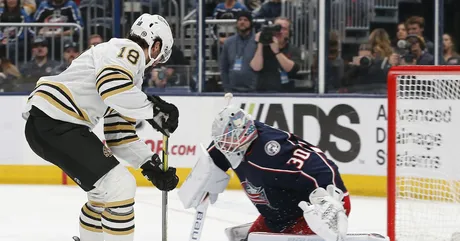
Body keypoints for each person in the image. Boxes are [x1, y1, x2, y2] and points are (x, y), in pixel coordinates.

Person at [22, 14, 179, 241]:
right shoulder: (128, 51)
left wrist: (149, 163)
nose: (156, 62)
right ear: (155, 45)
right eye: (160, 55)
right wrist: (154, 110)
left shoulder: (124, 70)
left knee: (101, 193)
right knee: (121, 186)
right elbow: (112, 88)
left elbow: (118, 133)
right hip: (57, 122)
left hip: (50, 123)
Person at [179, 105, 351, 241]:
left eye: (228, 138)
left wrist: (329, 201)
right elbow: (216, 152)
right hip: (279, 216)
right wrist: (204, 178)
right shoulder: (232, 146)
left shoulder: (272, 151)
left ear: (243, 133)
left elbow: (321, 165)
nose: (224, 145)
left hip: (316, 211)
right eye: (222, 139)